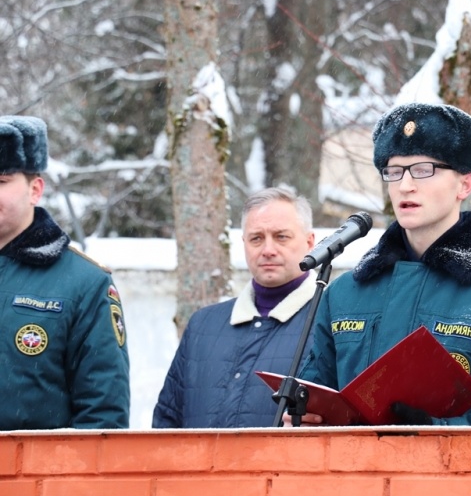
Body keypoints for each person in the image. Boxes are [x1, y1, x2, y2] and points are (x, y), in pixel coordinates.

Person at [290, 103, 471, 429]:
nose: (405, 185)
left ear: (465, 184)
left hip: (460, 479)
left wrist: (438, 431)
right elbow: (316, 398)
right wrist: (305, 417)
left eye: (423, 170)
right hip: (355, 478)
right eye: (394, 171)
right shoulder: (345, 293)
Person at [0, 115, 130, 430]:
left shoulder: (84, 284)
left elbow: (102, 418)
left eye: (1, 182)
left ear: (35, 189)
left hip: (32, 477)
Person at [153, 186, 317, 428]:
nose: (268, 250)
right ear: (244, 243)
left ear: (309, 242)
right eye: (256, 238)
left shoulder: (332, 321)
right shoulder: (203, 326)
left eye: (281, 236)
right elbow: (166, 425)